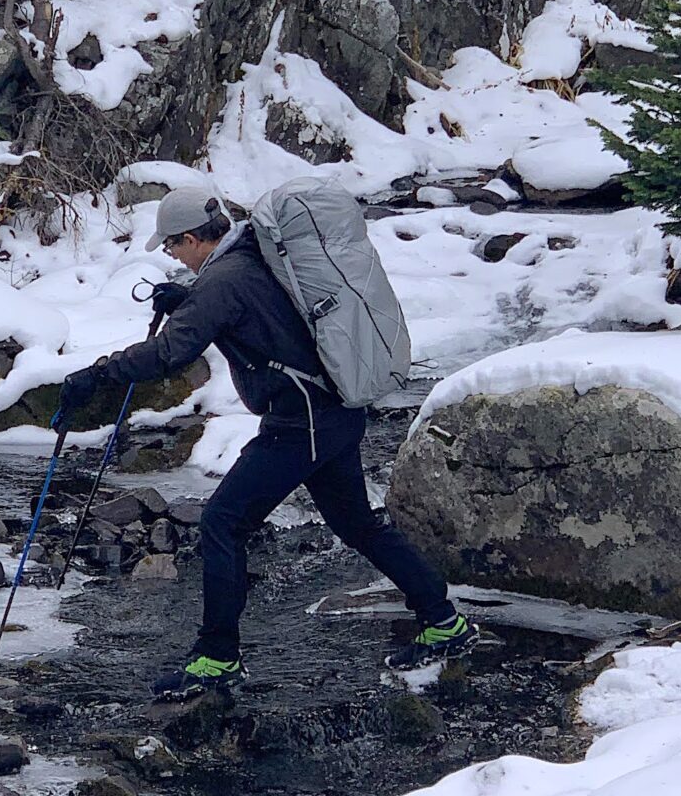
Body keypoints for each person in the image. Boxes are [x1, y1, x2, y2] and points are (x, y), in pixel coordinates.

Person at [54, 185, 478, 701]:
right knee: (356, 524)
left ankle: (217, 656)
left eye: (171, 247)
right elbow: (257, 312)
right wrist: (188, 299)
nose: (172, 256)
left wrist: (93, 376)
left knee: (222, 523)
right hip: (333, 413)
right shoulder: (251, 256)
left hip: (302, 425)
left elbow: (169, 353)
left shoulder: (224, 281)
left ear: (192, 239)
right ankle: (443, 621)